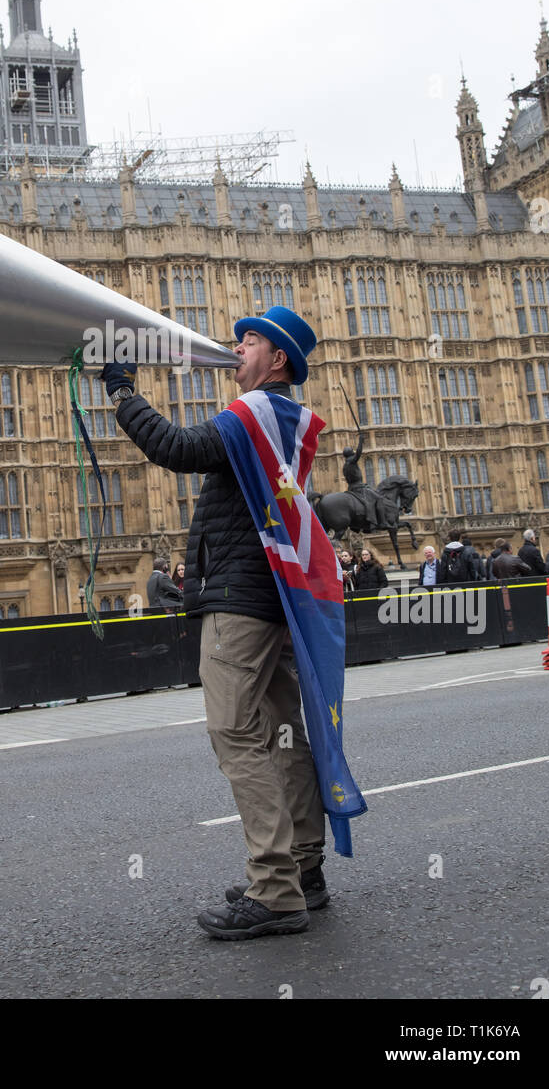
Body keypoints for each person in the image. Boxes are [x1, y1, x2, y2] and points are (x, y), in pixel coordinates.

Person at [100, 304, 336, 939]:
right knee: (284, 729)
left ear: (277, 358)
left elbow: (177, 448)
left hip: (240, 601)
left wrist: (122, 391)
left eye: (248, 340)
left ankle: (275, 888)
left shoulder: (256, 412)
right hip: (275, 594)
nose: (235, 348)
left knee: (235, 731)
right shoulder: (286, 419)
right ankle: (304, 868)